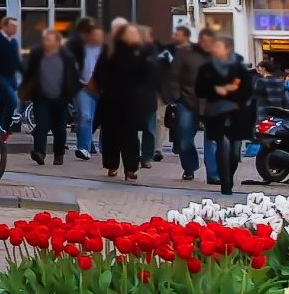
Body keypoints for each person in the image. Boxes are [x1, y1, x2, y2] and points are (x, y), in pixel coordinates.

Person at [191, 28, 258, 191]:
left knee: (234, 152)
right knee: (222, 144)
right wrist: (215, 89)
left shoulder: (239, 68)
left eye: (218, 46)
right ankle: (225, 182)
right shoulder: (206, 68)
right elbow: (199, 90)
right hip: (216, 111)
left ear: (227, 49)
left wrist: (231, 92)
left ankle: (229, 174)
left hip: (236, 111)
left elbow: (248, 90)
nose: (214, 49)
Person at [95, 23, 158, 180]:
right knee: (111, 134)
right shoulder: (110, 50)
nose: (136, 36)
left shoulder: (140, 52)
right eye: (132, 33)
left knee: (130, 135)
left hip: (132, 101)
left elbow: (147, 74)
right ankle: (112, 164)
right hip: (111, 100)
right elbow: (99, 73)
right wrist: (104, 87)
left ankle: (131, 167)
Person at [27, 25, 78, 166]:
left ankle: (59, 155)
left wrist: (70, 94)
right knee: (42, 125)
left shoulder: (67, 56)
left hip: (61, 98)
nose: (46, 42)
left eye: (49, 40)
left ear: (57, 41)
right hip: (41, 97)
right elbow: (29, 72)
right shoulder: (37, 54)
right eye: (44, 39)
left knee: (59, 128)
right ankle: (39, 153)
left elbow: (73, 77)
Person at [153, 29, 196, 177]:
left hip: (191, 96)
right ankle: (188, 168)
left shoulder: (195, 51)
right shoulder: (166, 50)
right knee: (165, 122)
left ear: (185, 36)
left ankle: (183, 155)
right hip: (169, 92)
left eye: (177, 34)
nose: (173, 36)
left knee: (183, 129)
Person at [72, 19, 106, 157]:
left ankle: (105, 148)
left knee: (104, 118)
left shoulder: (106, 49)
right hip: (83, 87)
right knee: (85, 116)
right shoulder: (78, 48)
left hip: (102, 88)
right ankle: (83, 148)